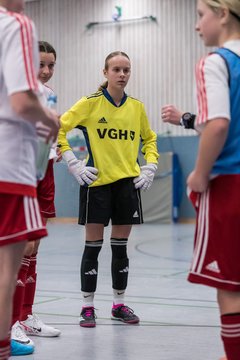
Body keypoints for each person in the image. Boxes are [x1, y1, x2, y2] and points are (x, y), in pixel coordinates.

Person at [58, 51, 159, 327]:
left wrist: (150, 165)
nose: (122, 74)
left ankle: (118, 304)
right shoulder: (90, 103)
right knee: (93, 247)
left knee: (120, 249)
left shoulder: (136, 107)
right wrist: (72, 162)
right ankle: (87, 306)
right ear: (105, 73)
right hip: (97, 185)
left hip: (127, 185)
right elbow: (58, 128)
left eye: (127, 69)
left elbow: (149, 139)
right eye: (116, 69)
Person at [0, 0, 59, 359]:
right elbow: (23, 103)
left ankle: (25, 316)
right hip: (9, 167)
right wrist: (51, 119)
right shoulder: (17, 24)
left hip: (33, 168)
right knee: (6, 270)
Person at [186, 1, 240, 360]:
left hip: (230, 185)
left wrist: (200, 175)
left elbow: (218, 123)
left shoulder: (215, 62)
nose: (197, 26)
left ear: (223, 14)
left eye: (200, 15)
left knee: (231, 284)